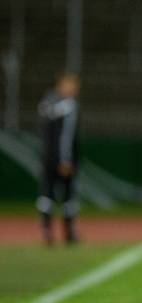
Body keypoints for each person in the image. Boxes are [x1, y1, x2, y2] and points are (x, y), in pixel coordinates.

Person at [36, 73, 81, 245]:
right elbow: (66, 137)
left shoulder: (47, 105)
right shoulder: (69, 107)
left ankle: (49, 231)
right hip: (61, 160)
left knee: (47, 194)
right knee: (65, 196)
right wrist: (65, 160)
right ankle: (66, 233)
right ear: (61, 85)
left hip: (47, 157)